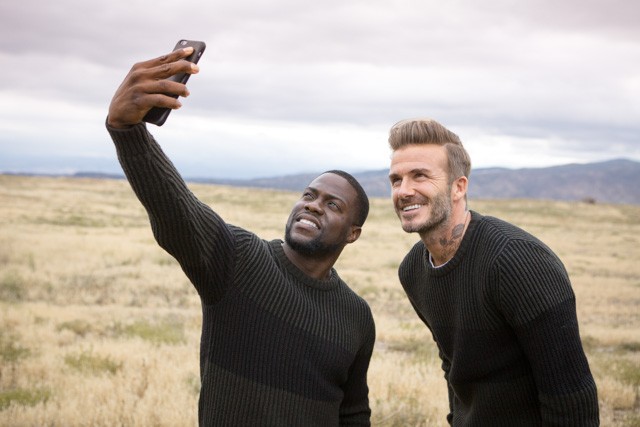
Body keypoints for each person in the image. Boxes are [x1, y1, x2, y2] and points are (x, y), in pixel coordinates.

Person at [105, 46, 375, 426]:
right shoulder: (241, 260)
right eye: (308, 195)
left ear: (353, 233)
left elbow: (353, 412)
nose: (313, 206)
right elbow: (178, 210)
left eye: (333, 205)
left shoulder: (356, 315)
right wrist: (128, 132)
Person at [387, 118, 599, 426]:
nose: (404, 191)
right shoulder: (412, 270)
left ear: (458, 187)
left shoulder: (517, 261)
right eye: (396, 180)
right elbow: (454, 366)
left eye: (420, 176)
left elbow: (571, 394)